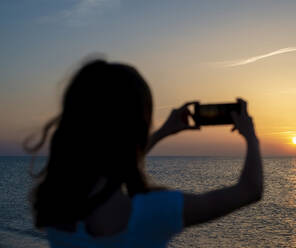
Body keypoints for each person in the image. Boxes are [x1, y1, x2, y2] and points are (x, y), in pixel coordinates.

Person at [24, 59, 263, 248]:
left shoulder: (54, 209)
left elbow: (114, 167)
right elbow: (250, 190)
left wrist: (163, 133)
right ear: (137, 129)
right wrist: (250, 136)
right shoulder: (153, 213)